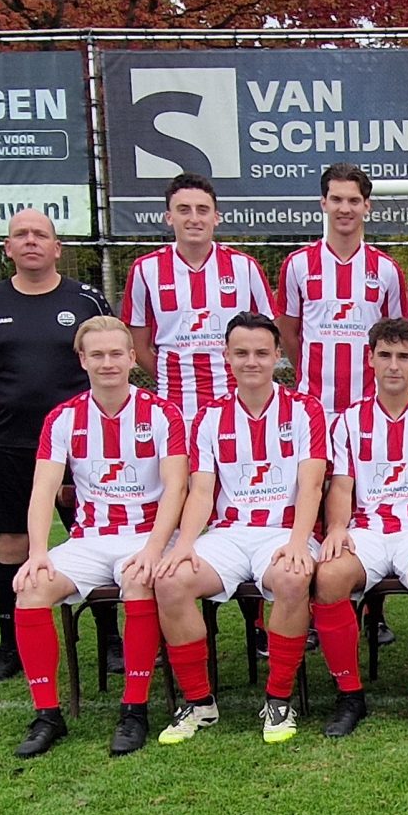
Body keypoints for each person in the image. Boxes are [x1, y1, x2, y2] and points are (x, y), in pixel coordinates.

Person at [8, 316, 187, 758]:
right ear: (82, 360)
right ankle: (47, 714)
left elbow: (176, 488)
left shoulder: (163, 413)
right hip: (89, 538)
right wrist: (37, 552)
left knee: (139, 581)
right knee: (31, 588)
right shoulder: (63, 418)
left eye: (116, 354)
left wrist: (153, 548)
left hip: (147, 535)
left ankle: (134, 709)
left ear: (132, 358)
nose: (108, 363)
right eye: (98, 355)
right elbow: (43, 489)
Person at [152, 313, 328, 747]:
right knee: (171, 581)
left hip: (284, 530)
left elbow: (311, 484)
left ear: (278, 355)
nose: (252, 361)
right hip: (229, 533)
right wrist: (185, 544)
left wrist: (298, 542)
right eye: (242, 353)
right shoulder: (209, 417)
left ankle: (278, 698)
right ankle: (199, 702)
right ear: (227, 356)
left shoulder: (305, 409)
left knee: (293, 577)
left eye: (262, 353)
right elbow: (201, 491)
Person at [122, 171, 276, 657]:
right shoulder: (146, 270)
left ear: (217, 217)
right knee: (176, 507)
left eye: (202, 210)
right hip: (177, 412)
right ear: (168, 216)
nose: (194, 218)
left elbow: (263, 332)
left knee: (248, 505)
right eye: (184, 210)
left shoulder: (244, 268)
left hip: (238, 414)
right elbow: (139, 342)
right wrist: (174, 381)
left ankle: (259, 622)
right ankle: (174, 615)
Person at [0, 209, 113, 686]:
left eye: (41, 235)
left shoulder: (85, 299)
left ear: (57, 247)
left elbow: (103, 358)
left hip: (82, 448)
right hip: (15, 442)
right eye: (21, 235)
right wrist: (13, 415)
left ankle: (110, 639)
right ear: (8, 247)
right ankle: (9, 645)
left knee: (94, 539)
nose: (31, 241)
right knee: (11, 543)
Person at [313, 318, 408, 739]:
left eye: (403, 356)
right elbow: (341, 485)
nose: (393, 365)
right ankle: (350, 695)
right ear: (371, 360)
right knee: (329, 577)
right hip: (367, 529)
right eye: (385, 355)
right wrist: (336, 527)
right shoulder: (349, 419)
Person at [277, 163, 407, 417]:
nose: (345, 209)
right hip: (312, 406)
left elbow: (396, 337)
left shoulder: (387, 269)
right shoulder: (297, 264)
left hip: (370, 406)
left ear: (366, 206)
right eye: (336, 199)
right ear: (323, 203)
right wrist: (308, 369)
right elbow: (287, 332)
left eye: (354, 201)